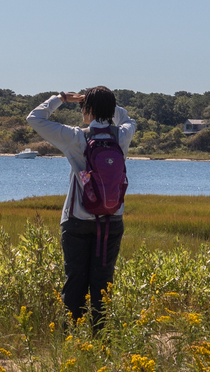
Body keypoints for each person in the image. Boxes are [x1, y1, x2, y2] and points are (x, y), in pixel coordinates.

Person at [28, 87, 135, 330]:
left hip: (76, 220)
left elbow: (34, 118)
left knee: (75, 280)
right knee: (103, 281)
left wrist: (62, 98)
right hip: (112, 221)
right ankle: (101, 337)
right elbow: (129, 119)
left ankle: (70, 337)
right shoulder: (123, 135)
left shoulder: (76, 137)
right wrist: (107, 105)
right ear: (111, 110)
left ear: (87, 109)